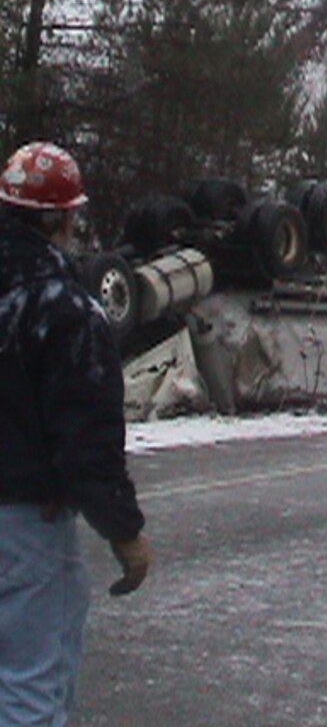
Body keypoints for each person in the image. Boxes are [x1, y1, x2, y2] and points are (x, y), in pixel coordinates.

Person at [0, 141, 152, 724]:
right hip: (25, 530)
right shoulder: (64, 308)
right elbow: (86, 444)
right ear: (64, 217)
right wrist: (125, 533)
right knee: (31, 688)